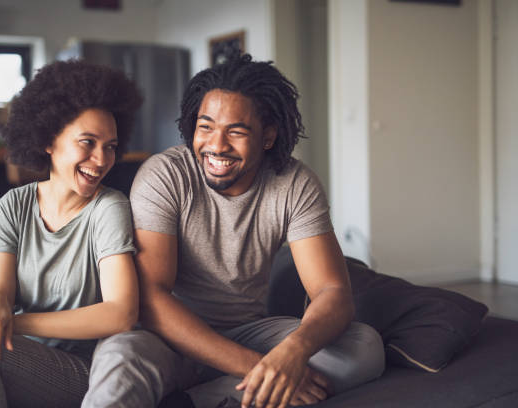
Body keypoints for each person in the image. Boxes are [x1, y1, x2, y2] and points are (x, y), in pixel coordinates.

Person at [82, 53, 385, 408]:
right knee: (118, 355)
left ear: (268, 136)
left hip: (247, 332)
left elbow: (332, 289)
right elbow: (150, 298)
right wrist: (258, 367)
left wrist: (293, 352)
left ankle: (194, 401)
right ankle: (255, 387)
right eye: (205, 126)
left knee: (363, 348)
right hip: (165, 337)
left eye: (236, 131)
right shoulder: (164, 175)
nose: (216, 145)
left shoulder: (295, 183)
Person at [0, 59, 143, 408]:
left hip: (81, 368)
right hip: (17, 349)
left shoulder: (109, 208)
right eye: (88, 142)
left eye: (109, 146)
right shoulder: (14, 204)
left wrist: (11, 322)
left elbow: (121, 314)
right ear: (49, 140)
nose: (101, 159)